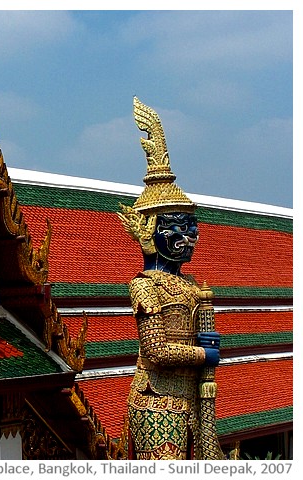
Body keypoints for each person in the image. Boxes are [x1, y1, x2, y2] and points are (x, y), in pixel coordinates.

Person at [118, 97, 222, 460]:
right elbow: (157, 351)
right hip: (157, 401)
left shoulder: (192, 286)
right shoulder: (145, 285)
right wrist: (203, 353)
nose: (190, 235)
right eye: (177, 226)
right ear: (149, 230)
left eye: (192, 226)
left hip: (195, 397)